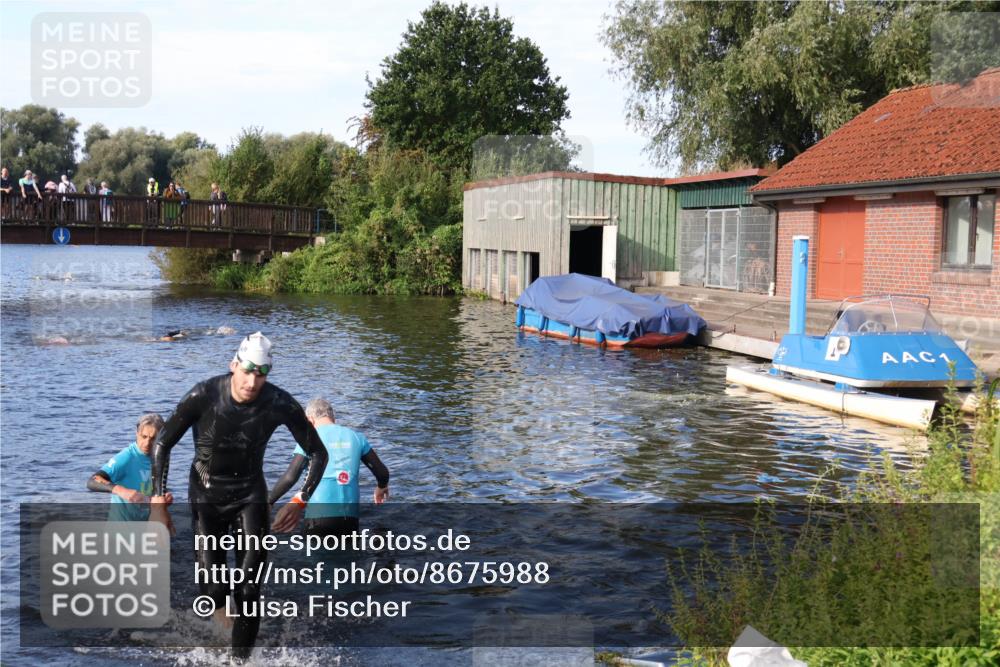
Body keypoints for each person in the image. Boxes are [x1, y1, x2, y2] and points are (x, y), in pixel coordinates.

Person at [149, 332, 328, 661]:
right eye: (246, 371)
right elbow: (162, 443)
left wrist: (300, 499)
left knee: (248, 590)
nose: (251, 381)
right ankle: (221, 611)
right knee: (213, 589)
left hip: (250, 496)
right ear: (234, 365)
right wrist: (158, 502)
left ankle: (239, 661)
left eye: (261, 374)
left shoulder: (278, 403)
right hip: (206, 498)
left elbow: (318, 453)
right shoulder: (203, 395)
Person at [269, 398, 389, 537]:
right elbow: (382, 473)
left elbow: (291, 476)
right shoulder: (356, 437)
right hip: (349, 518)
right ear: (333, 418)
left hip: (318, 518)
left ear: (309, 420)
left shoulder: (309, 437)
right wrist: (381, 486)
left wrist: (269, 501)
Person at [86, 414, 170, 521]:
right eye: (144, 437)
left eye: (153, 439)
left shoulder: (161, 457)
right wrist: (123, 491)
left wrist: (164, 499)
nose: (147, 443)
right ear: (137, 433)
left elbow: (154, 489)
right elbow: (92, 481)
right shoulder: (127, 457)